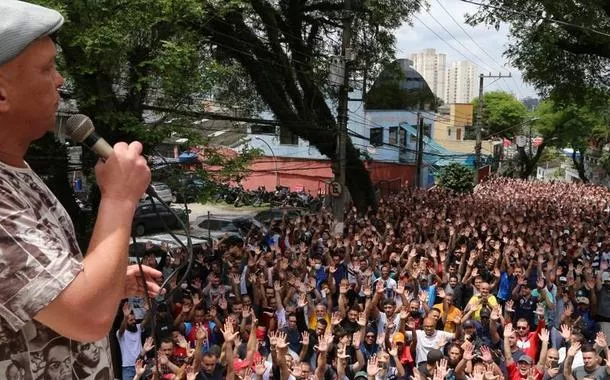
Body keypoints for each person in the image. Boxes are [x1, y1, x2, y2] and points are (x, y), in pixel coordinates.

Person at [0, 1, 161, 379]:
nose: (60, 81)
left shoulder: (16, 172)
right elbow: (87, 317)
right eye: (46, 68)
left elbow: (45, 300)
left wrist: (106, 286)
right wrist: (120, 197)